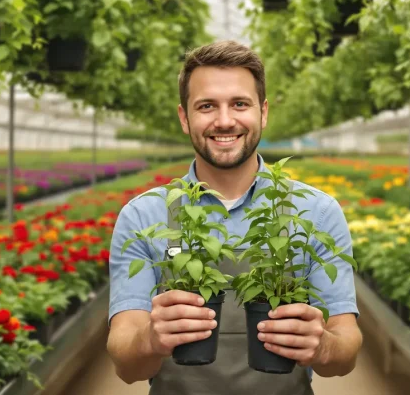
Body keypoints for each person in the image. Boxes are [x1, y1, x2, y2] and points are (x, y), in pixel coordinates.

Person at [106, 40, 362, 395]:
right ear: (184, 117)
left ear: (263, 112)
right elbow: (125, 363)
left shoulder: (316, 211)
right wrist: (149, 338)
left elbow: (345, 351)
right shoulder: (143, 216)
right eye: (207, 106)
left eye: (240, 104)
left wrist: (324, 346)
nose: (224, 121)